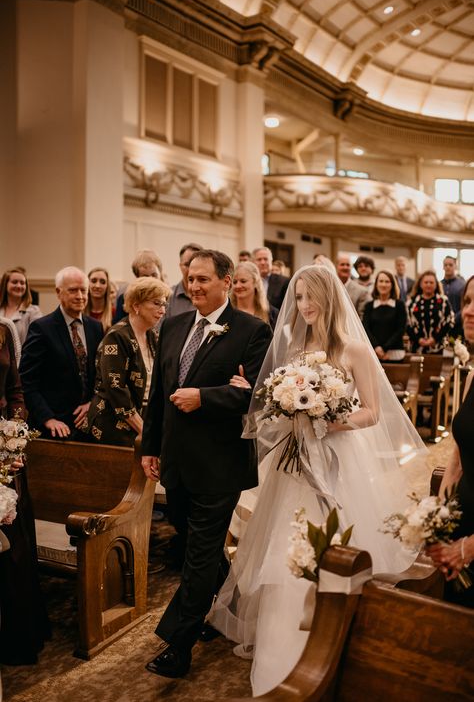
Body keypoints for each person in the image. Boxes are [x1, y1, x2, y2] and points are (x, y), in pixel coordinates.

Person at [209, 264, 428, 696]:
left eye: (311, 297)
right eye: (299, 297)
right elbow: (273, 402)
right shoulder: (292, 346)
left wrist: (328, 417)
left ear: (329, 299)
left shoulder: (353, 351)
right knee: (282, 549)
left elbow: (372, 412)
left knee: (335, 545)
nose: (304, 306)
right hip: (293, 467)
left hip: (337, 462)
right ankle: (281, 649)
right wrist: (287, 409)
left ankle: (335, 640)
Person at [141, 249, 272, 679]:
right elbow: (159, 393)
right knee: (197, 540)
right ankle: (228, 606)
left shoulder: (252, 331)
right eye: (189, 278)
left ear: (227, 281)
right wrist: (149, 447)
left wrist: (206, 397)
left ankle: (179, 646)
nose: (192, 286)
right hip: (176, 460)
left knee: (197, 554)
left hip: (220, 462)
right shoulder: (174, 325)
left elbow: (258, 396)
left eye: (202, 279)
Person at [0, 322, 50, 665]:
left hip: (6, 454)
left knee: (14, 546)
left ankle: (17, 634)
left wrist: (13, 435)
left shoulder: (4, 331)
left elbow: (16, 390)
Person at [426, 275, 474, 608]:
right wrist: (440, 515)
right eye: (468, 301)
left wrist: (468, 548)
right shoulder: (473, 374)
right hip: (465, 517)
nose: (469, 311)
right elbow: (460, 447)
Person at [19, 266, 103, 439]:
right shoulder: (41, 328)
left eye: (83, 290)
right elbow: (26, 381)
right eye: (73, 290)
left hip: (88, 425)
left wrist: (92, 404)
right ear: (58, 292)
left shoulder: (95, 327)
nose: (79, 296)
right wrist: (48, 418)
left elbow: (100, 376)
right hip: (53, 428)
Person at [84, 277, 169, 446]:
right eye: (157, 304)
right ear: (136, 305)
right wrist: (144, 430)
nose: (163, 311)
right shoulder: (117, 336)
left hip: (141, 422)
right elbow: (117, 390)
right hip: (112, 426)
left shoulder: (152, 336)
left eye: (164, 305)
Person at [363, 270, 407, 362]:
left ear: (392, 285)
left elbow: (400, 329)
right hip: (374, 353)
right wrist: (377, 347)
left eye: (387, 281)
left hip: (394, 353)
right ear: (376, 284)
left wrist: (385, 348)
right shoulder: (369, 306)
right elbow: (366, 329)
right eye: (381, 281)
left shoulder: (399, 305)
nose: (384, 285)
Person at [407, 270, 454, 353]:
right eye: (426, 282)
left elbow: (449, 321)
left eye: (431, 282)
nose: (428, 285)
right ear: (420, 284)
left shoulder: (443, 301)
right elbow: (407, 324)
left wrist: (435, 339)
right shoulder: (412, 302)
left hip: (438, 347)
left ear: (436, 284)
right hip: (416, 347)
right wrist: (419, 339)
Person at [114, 249, 164, 323]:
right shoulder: (125, 299)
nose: (151, 280)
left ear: (160, 274)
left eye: (154, 275)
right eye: (145, 276)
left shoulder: (170, 298)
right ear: (137, 278)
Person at [231, 261, 278, 331]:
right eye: (235, 282)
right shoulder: (226, 311)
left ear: (255, 282)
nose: (238, 286)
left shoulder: (271, 314)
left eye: (243, 281)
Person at [0, 268, 42, 345]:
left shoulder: (34, 311)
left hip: (23, 356)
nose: (19, 286)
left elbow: (37, 341)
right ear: (5, 285)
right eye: (14, 282)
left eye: (22, 283)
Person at [167, 243, 203, 318]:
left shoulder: (210, 296)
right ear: (180, 266)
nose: (191, 269)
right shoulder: (168, 296)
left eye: (196, 264)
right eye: (187, 264)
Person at [335, 254, 369, 319]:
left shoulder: (361, 291)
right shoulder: (330, 287)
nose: (345, 267)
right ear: (336, 266)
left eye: (348, 265)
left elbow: (361, 317)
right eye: (342, 264)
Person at [84, 267, 114, 333]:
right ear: (87, 284)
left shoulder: (114, 313)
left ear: (107, 286)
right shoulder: (79, 313)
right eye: (93, 281)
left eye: (102, 282)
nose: (97, 286)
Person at [441, 256, 465, 337]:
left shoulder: (462, 285)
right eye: (446, 265)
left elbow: (464, 306)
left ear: (455, 266)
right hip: (441, 327)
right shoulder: (439, 285)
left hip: (458, 326)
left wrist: (453, 319)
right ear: (443, 267)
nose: (448, 267)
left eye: (450, 265)